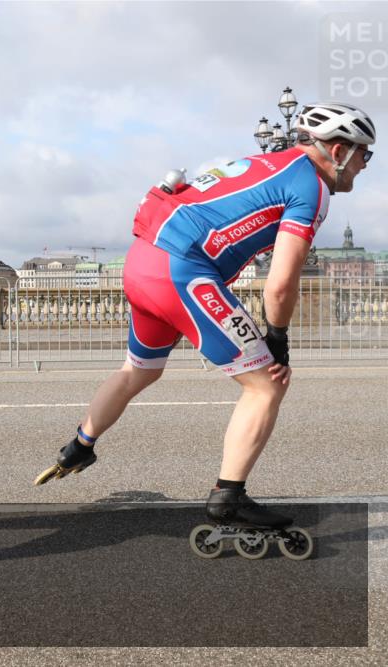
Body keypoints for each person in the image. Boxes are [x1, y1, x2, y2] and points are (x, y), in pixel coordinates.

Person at [34, 102, 375, 527]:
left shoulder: (263, 161)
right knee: (265, 386)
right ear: (339, 151)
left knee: (139, 369)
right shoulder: (311, 186)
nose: (365, 165)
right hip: (180, 272)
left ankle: (79, 447)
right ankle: (228, 498)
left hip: (142, 260)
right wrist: (278, 341)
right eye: (365, 153)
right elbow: (282, 283)